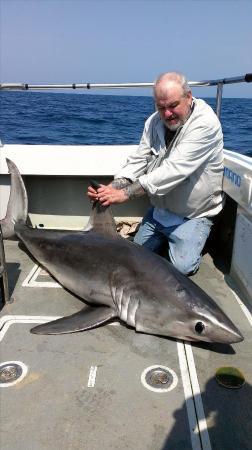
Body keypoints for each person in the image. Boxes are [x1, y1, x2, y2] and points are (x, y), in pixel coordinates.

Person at [88, 72, 225, 275]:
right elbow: (138, 160)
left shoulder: (205, 123)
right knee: (134, 257)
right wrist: (113, 187)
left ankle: (204, 235)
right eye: (161, 107)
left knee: (182, 268)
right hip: (160, 211)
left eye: (173, 105)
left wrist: (125, 194)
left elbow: (174, 170)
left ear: (189, 97)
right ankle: (163, 238)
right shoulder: (153, 122)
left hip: (193, 215)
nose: (167, 113)